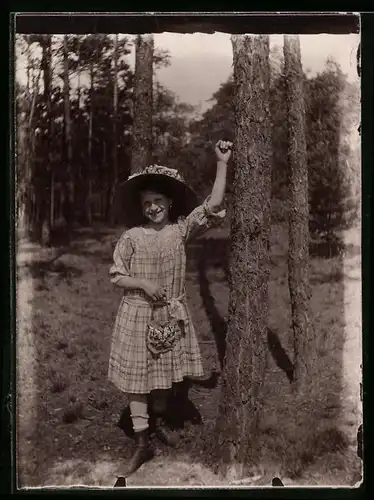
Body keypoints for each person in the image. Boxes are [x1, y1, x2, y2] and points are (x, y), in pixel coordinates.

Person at [108, 140, 232, 476]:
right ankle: (141, 442)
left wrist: (221, 163)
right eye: (147, 203)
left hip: (169, 315)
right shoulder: (131, 237)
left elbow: (213, 205)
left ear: (169, 203)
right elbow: (117, 276)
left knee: (161, 377)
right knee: (138, 381)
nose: (153, 208)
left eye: (158, 201)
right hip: (136, 313)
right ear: (141, 206)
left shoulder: (180, 232)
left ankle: (158, 423)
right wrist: (144, 284)